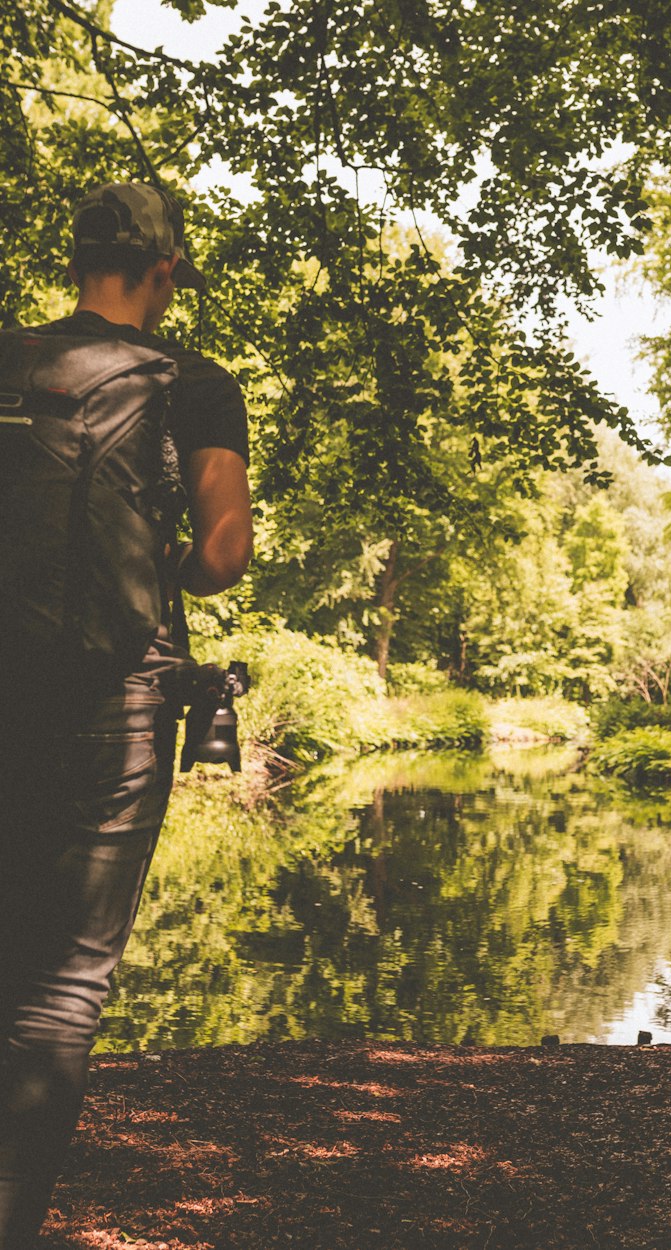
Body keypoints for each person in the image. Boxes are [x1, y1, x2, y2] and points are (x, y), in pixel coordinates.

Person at [0, 182, 253, 1248]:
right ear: (164, 272)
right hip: (120, 696)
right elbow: (225, 553)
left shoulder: (11, 359)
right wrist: (175, 566)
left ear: (75, 263)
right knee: (61, 990)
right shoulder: (193, 383)